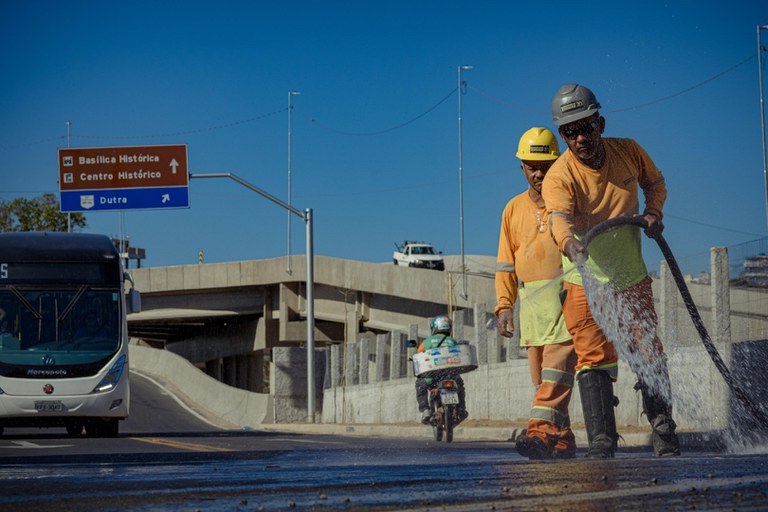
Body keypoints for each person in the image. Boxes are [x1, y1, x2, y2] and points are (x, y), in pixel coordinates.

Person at [541, 83, 680, 458]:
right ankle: (602, 439)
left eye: (587, 127)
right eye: (571, 132)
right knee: (592, 357)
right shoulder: (560, 176)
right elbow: (559, 218)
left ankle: (663, 427)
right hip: (585, 280)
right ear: (562, 135)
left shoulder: (629, 151)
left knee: (648, 350)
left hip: (630, 274)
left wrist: (653, 213)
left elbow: (656, 182)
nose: (581, 138)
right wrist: (570, 244)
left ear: (600, 122)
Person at [495, 127, 578, 459]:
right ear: (522, 168)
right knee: (543, 380)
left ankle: (539, 432)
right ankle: (562, 438)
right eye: (532, 166)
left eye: (545, 165)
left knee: (556, 371)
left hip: (565, 297)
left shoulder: (568, 201)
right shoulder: (512, 209)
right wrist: (504, 306)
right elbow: (505, 264)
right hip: (531, 306)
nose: (539, 173)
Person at [415, 315, 468, 424]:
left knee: (420, 385)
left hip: (432, 377)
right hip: (451, 376)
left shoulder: (427, 342)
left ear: (435, 327)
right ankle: (461, 409)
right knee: (460, 387)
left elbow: (418, 354)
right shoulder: (452, 341)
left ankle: (425, 410)